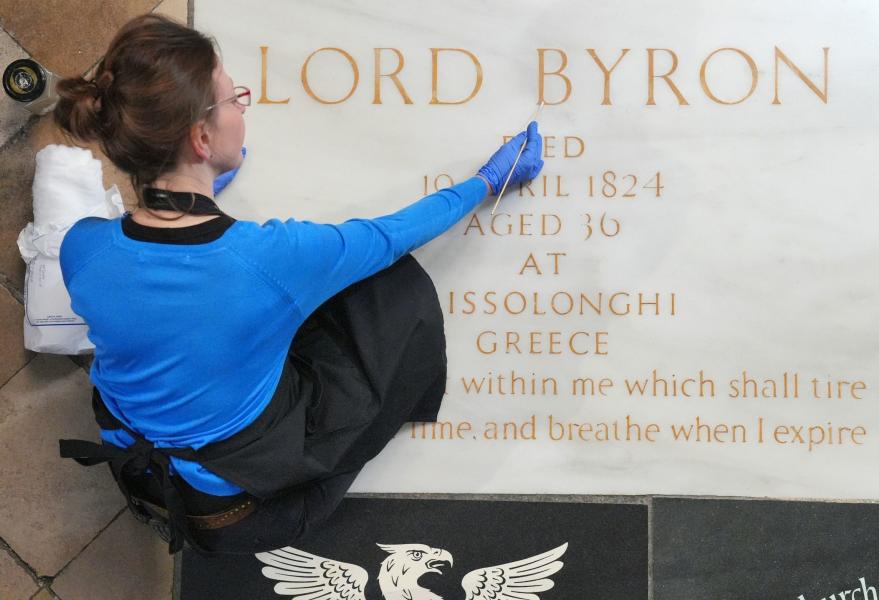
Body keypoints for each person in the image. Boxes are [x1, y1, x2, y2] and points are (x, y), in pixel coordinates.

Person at [52, 13, 543, 554]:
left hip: (140, 471)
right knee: (390, 288)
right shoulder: (269, 259)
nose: (242, 106)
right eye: (232, 99)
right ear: (200, 136)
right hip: (248, 514)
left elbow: (162, 276)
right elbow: (389, 236)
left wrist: (202, 185)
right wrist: (489, 181)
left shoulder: (83, 246)